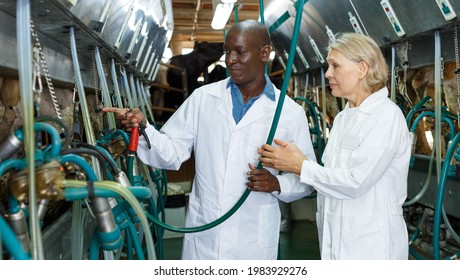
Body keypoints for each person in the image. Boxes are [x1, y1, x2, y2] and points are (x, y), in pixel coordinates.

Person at [103, 19, 316, 260]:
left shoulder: (288, 112)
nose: (230, 60)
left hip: (252, 240)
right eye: (227, 52)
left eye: (240, 52)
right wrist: (144, 128)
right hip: (205, 232)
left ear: (264, 53)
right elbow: (171, 153)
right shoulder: (203, 98)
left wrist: (277, 184)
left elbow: (306, 178)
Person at [257, 32, 411, 260]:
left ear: (362, 69)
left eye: (335, 66)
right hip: (336, 242)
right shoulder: (342, 118)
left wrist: (302, 166)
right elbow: (331, 176)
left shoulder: (386, 117)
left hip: (372, 247)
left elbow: (355, 182)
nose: (328, 73)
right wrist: (300, 162)